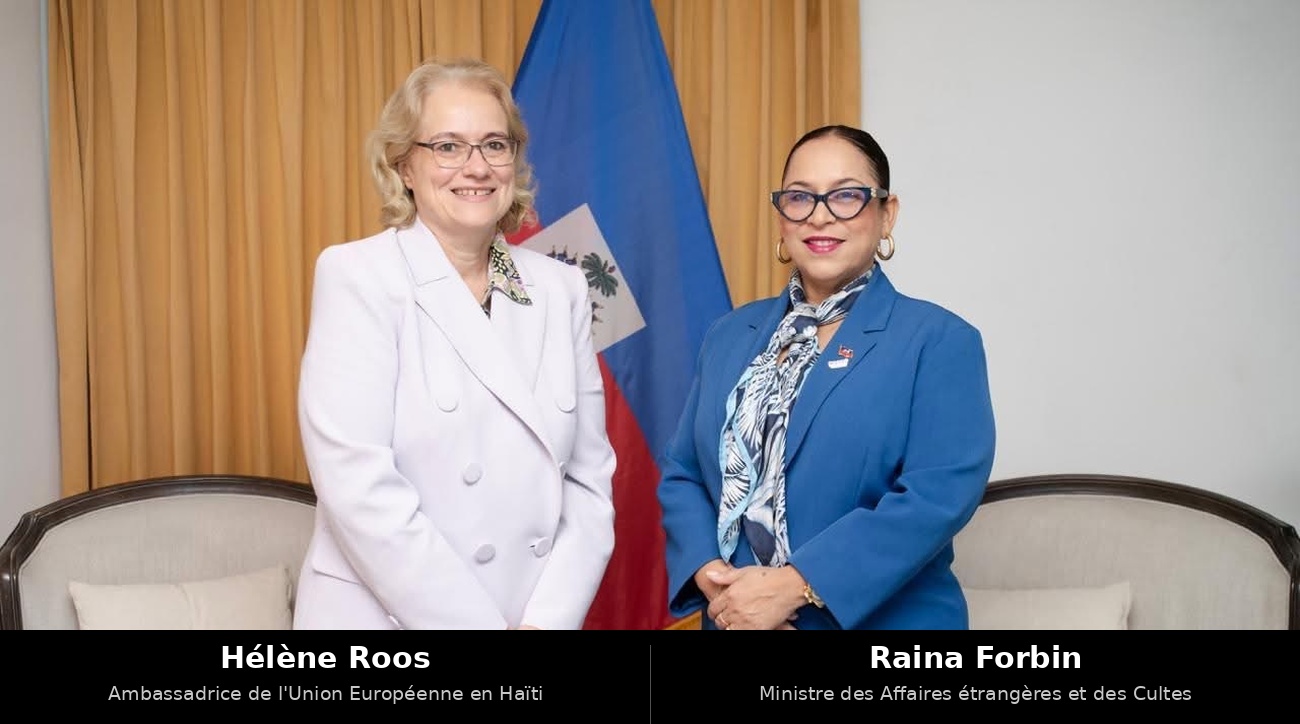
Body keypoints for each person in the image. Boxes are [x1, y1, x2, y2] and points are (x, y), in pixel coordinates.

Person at [293, 59, 615, 630]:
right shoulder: (358, 276)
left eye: (495, 144)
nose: (477, 167)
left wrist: (547, 621)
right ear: (404, 166)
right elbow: (358, 487)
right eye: (447, 146)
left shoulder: (560, 287)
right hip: (388, 620)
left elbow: (589, 483)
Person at [659, 125, 995, 630]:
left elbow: (935, 497)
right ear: (781, 217)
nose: (820, 215)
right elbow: (683, 471)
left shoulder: (938, 341)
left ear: (887, 214)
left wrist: (793, 586)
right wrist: (713, 577)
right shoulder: (729, 336)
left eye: (846, 196)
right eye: (800, 197)